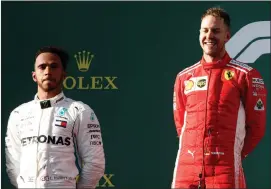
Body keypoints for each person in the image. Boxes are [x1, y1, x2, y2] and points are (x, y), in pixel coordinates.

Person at [172, 7, 267, 189]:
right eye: (205, 30)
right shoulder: (184, 77)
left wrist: (232, 154)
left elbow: (256, 128)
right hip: (186, 172)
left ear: (227, 36)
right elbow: (181, 125)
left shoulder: (246, 75)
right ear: (199, 34)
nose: (209, 36)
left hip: (225, 171)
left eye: (216, 31)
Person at [5, 46, 105, 188]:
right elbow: (13, 164)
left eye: (53, 66)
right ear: (34, 75)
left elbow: (95, 163)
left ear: (64, 74)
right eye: (42, 67)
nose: (47, 71)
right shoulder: (18, 114)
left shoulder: (79, 111)